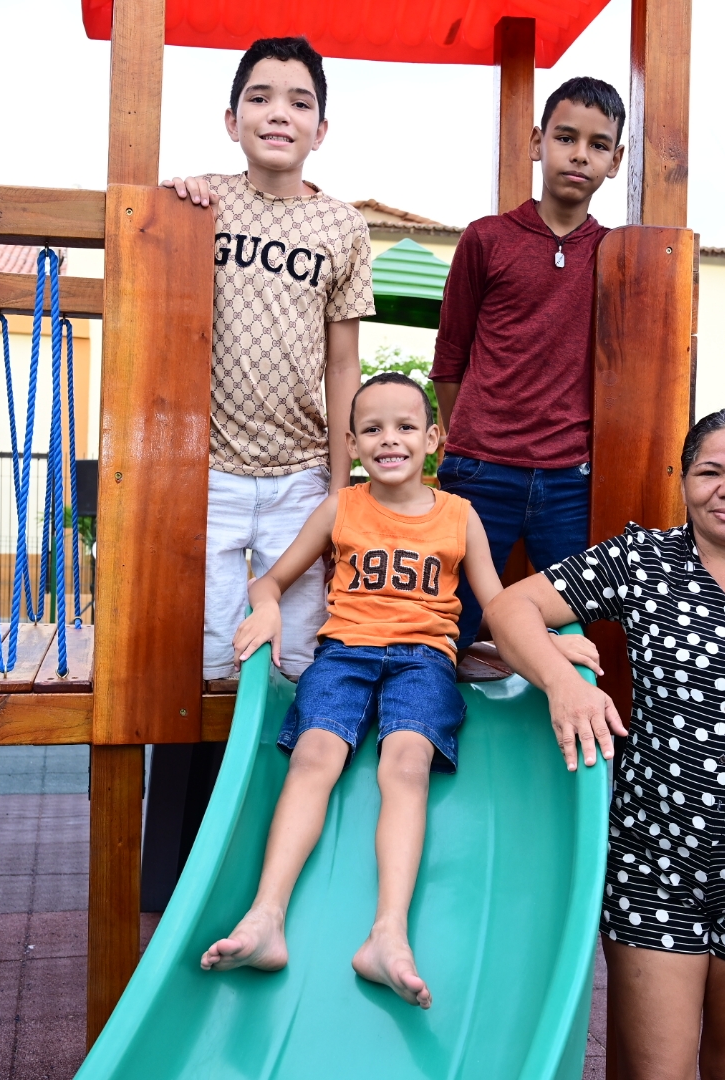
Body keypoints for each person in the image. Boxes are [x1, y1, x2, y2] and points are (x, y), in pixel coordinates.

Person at [485, 409, 725, 1080]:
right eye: (710, 472)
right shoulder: (641, 562)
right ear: (683, 480)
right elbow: (509, 607)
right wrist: (560, 682)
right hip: (653, 862)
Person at [198, 372, 600, 1008]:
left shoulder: (460, 516)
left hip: (425, 662)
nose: (391, 440)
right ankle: (266, 917)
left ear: (433, 439)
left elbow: (497, 605)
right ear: (353, 443)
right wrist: (267, 606)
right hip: (344, 655)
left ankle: (388, 935)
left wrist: (547, 647)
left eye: (406, 426)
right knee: (314, 758)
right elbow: (270, 582)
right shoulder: (340, 507)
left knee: (406, 765)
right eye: (373, 429)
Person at [162, 36, 373, 690]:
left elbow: (343, 365)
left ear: (321, 129)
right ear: (232, 121)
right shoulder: (201, 205)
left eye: (298, 102)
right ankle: (210, 791)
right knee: (214, 658)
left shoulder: (343, 228)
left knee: (299, 653)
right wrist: (170, 195)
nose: (279, 113)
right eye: (260, 98)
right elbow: (148, 254)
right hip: (213, 470)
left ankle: (288, 788)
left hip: (300, 474)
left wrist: (340, 483)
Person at [430, 76, 626, 648]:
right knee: (452, 620)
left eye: (597, 145)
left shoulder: (616, 254)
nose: (579, 154)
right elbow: (450, 358)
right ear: (538, 141)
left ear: (615, 161)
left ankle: (566, 735)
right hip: (479, 470)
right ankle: (438, 731)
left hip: (572, 476)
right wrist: (467, 438)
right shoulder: (486, 239)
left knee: (577, 628)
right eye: (566, 137)